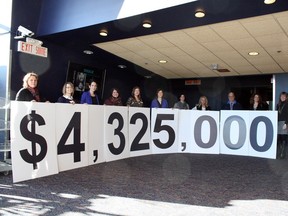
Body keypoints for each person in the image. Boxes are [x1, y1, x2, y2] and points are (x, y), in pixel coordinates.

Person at [276, 92, 288, 159]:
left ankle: (283, 152)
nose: (282, 97)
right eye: (281, 96)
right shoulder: (278, 105)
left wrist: (286, 123)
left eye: (284, 96)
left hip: (284, 122)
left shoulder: (287, 104)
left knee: (283, 137)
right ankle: (281, 150)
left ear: (286, 97)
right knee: (279, 137)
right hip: (278, 122)